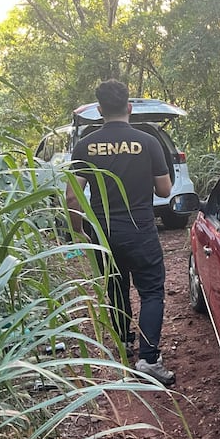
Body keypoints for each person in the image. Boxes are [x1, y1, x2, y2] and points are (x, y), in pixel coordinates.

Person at [66, 79, 175, 386]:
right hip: (140, 229)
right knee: (151, 291)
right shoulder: (148, 142)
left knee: (116, 287)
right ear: (129, 108)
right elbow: (165, 190)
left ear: (100, 110)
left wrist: (78, 233)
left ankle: (125, 342)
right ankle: (149, 359)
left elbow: (73, 196)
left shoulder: (85, 145)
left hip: (104, 232)